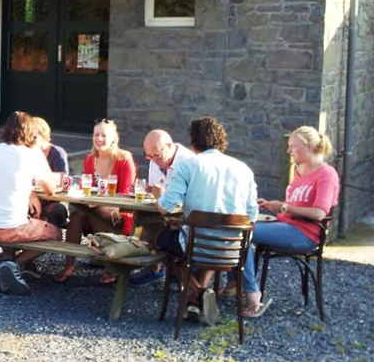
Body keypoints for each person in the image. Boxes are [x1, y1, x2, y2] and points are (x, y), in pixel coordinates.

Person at [155, 116, 258, 326]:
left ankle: (197, 293)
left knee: (159, 240)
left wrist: (159, 195)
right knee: (208, 242)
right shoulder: (244, 169)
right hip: (232, 248)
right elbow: (252, 215)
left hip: (196, 245)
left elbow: (166, 206)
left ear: (193, 142)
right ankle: (200, 296)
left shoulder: (189, 165)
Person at [238, 126, 339, 318]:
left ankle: (252, 293)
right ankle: (235, 285)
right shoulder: (300, 172)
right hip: (287, 225)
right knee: (240, 227)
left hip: (305, 234)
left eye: (293, 146)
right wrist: (272, 206)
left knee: (242, 231)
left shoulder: (326, 174)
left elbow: (319, 213)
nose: (288, 151)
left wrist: (285, 207)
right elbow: (293, 207)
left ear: (308, 147)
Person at [0, 111, 60, 296]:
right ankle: (11, 265)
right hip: (11, 229)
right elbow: (51, 190)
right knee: (56, 233)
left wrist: (29, 191)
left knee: (4, 220)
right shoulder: (31, 154)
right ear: (30, 132)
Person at [53, 118, 136, 285]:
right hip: (94, 210)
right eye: (96, 135)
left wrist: (99, 203)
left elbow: (126, 195)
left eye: (104, 135)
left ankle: (110, 266)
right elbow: (88, 189)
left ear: (114, 138)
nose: (99, 139)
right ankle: (69, 266)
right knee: (77, 216)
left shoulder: (124, 159)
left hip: (118, 213)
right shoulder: (90, 159)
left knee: (93, 211)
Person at [130, 129, 198, 287]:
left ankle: (175, 272)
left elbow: (185, 199)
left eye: (156, 155)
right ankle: (155, 269)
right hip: (164, 211)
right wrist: (151, 190)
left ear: (169, 146)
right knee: (143, 223)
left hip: (186, 218)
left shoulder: (188, 162)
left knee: (156, 233)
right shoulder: (155, 160)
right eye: (148, 156)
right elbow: (156, 188)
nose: (153, 160)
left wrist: (161, 194)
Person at [32, 116, 69, 228]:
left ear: (44, 136)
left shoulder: (57, 153)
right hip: (34, 197)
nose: (31, 140)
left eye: (34, 136)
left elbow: (62, 181)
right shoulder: (28, 152)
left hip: (55, 200)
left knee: (54, 212)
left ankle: (53, 239)